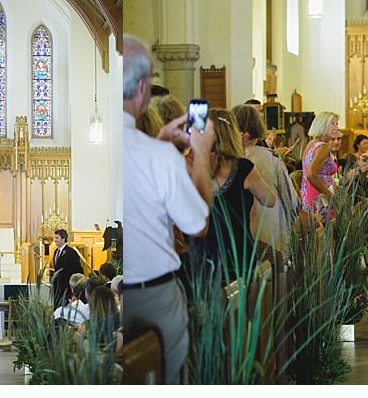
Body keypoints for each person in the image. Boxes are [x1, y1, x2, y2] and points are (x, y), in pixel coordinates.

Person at [122, 34, 214, 384]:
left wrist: (159, 143)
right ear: (143, 87)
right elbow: (198, 226)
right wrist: (201, 153)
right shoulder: (158, 158)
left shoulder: (147, 150)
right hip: (154, 296)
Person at [194, 108, 276, 269]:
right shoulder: (242, 168)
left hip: (204, 255)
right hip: (238, 254)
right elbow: (270, 200)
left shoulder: (194, 165)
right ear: (232, 134)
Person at [232, 104, 300, 255]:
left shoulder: (227, 161)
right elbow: (290, 199)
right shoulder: (270, 157)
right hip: (272, 229)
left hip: (240, 234)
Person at [300, 112, 341, 219]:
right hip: (321, 198)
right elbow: (310, 174)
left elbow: (304, 171)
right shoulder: (323, 147)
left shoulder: (311, 143)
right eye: (333, 124)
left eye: (337, 124)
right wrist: (330, 195)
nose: (337, 128)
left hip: (308, 194)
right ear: (322, 125)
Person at [51, 229, 80, 309]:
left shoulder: (71, 252)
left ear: (63, 239)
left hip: (67, 289)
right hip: (58, 289)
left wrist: (74, 291)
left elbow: (77, 271)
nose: (54, 240)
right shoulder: (56, 251)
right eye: (54, 238)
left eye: (57, 238)